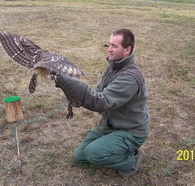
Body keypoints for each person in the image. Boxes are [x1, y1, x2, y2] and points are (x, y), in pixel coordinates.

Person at [53, 28, 149, 176]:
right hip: (111, 125)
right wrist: (68, 85)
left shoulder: (130, 77)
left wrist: (72, 84)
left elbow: (101, 101)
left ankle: (132, 160)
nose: (109, 50)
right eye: (108, 45)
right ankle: (114, 145)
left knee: (93, 153)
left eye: (114, 46)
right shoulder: (112, 68)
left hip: (130, 130)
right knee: (80, 156)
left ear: (127, 50)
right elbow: (98, 94)